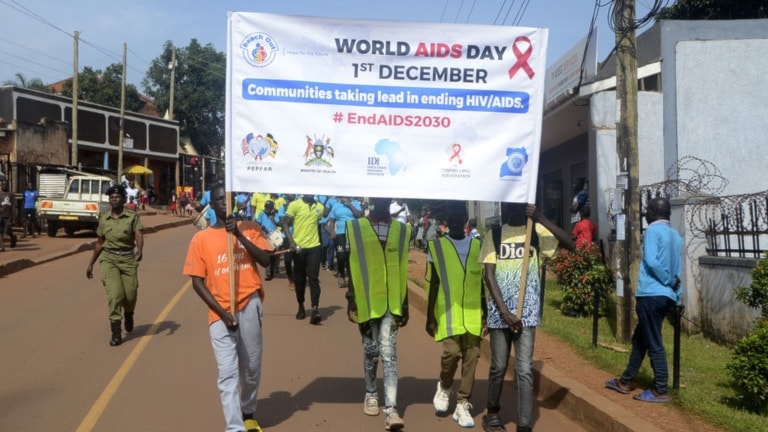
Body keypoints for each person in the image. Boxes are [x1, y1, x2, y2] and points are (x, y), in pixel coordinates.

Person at [183, 182, 272, 432]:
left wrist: (240, 236)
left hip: (249, 305)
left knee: (251, 369)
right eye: (220, 199)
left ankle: (248, 411)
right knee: (228, 373)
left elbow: (266, 260)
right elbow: (197, 282)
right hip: (220, 313)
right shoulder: (200, 239)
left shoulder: (250, 228)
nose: (225, 203)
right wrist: (222, 314)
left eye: (229, 199)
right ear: (212, 204)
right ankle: (235, 427)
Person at [480, 202, 574, 432]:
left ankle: (524, 424)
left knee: (523, 370)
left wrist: (541, 218)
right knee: (499, 366)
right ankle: (492, 412)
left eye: (517, 205)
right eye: (507, 205)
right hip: (500, 314)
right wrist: (504, 312)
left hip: (527, 314)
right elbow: (488, 275)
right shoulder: (495, 234)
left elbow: (571, 244)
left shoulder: (535, 233)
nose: (511, 209)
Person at [605, 197, 683, 404]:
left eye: (647, 210)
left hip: (650, 295)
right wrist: (677, 295)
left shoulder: (652, 232)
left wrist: (666, 280)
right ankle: (625, 381)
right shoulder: (676, 236)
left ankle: (660, 389)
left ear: (653, 212)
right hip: (666, 297)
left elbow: (651, 260)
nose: (645, 214)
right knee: (640, 340)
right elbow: (677, 270)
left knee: (654, 342)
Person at [345, 197, 411, 431]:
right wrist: (350, 298)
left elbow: (403, 268)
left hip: (392, 303)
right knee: (371, 351)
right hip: (366, 300)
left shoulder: (403, 230)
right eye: (377, 198)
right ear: (371, 200)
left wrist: (406, 305)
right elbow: (351, 263)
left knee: (389, 354)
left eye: (385, 198)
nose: (381, 202)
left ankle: (391, 410)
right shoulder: (354, 227)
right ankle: (371, 393)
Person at [425, 201, 485, 428]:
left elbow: (482, 284)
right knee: (450, 353)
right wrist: (430, 316)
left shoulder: (478, 246)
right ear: (447, 222)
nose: (457, 221)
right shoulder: (437, 247)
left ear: (466, 220)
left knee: (472, 358)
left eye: (461, 217)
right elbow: (433, 284)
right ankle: (444, 385)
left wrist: (486, 312)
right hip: (448, 313)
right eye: (453, 218)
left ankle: (462, 404)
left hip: (472, 314)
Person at [85, 185, 144, 347]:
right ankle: (116, 332)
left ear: (123, 199)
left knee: (130, 295)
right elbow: (100, 242)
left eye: (117, 197)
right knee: (115, 295)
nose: (114, 200)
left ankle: (129, 313)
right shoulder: (104, 219)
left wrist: (140, 249)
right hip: (109, 259)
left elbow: (138, 233)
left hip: (128, 259)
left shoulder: (132, 217)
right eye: (111, 198)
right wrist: (91, 264)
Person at [281, 194, 325, 325]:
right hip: (299, 248)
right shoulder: (295, 205)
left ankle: (315, 309)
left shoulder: (319, 207)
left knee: (313, 278)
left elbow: (316, 224)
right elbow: (284, 223)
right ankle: (301, 305)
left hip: (314, 247)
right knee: (299, 280)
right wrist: (292, 242)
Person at [326, 196, 363, 288]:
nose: (344, 197)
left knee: (351, 256)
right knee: (341, 255)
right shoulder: (336, 205)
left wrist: (349, 204)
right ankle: (341, 275)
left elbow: (358, 215)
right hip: (340, 234)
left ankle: (352, 277)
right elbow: (332, 220)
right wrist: (332, 232)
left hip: (353, 233)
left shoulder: (355, 204)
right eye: (342, 196)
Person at [254, 200, 282, 281]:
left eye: (269, 208)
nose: (267, 209)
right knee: (268, 255)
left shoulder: (275, 215)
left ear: (272, 208)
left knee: (275, 255)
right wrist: (261, 227)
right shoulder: (261, 214)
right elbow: (257, 223)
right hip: (265, 237)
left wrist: (274, 219)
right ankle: (268, 273)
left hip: (274, 237)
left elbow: (279, 223)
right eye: (266, 207)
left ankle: (274, 268)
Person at [0, 180, 17, 251]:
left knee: (7, 230)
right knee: (0, 231)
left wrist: (13, 217)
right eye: (3, 185)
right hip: (0, 215)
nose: (4, 186)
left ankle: (13, 237)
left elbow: (13, 206)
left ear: (8, 186)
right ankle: (2, 246)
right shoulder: (0, 194)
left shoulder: (11, 194)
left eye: (5, 185)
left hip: (8, 216)